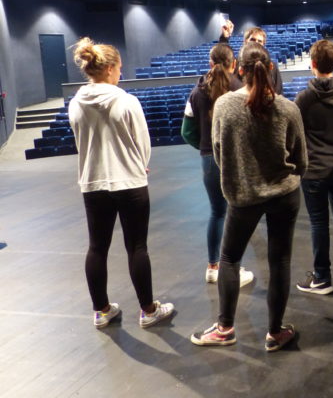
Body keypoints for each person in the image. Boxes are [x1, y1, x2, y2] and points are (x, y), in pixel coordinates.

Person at [190, 42, 307, 350]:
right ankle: (276, 332)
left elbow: (218, 152)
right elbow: (301, 160)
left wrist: (240, 177)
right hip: (284, 194)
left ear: (240, 71)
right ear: (270, 69)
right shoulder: (287, 108)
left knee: (228, 258)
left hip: (242, 196)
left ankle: (225, 328)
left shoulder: (225, 106)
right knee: (280, 260)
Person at [68, 37, 174, 329]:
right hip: (129, 182)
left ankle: (101, 311)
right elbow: (143, 143)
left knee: (97, 248)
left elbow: (80, 143)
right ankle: (148, 310)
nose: (121, 73)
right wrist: (139, 165)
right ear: (111, 68)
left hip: (93, 183)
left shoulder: (76, 104)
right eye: (120, 69)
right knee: (137, 247)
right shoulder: (126, 101)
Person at [181, 43, 255, 287]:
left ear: (210, 64)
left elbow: (186, 131)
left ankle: (213, 266)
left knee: (217, 212)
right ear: (234, 64)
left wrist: (205, 147)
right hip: (234, 159)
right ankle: (233, 268)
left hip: (209, 160)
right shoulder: (240, 89)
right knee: (236, 212)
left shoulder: (196, 91)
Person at [294, 39, 333, 295]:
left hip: (315, 170)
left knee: (319, 223)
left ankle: (322, 277)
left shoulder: (304, 98)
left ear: (313, 64)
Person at [219, 21, 283, 95]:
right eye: (252, 39)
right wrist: (224, 38)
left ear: (263, 44)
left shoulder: (272, 66)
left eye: (260, 41)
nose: (256, 43)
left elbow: (278, 92)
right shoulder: (236, 64)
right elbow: (223, 57)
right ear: (245, 41)